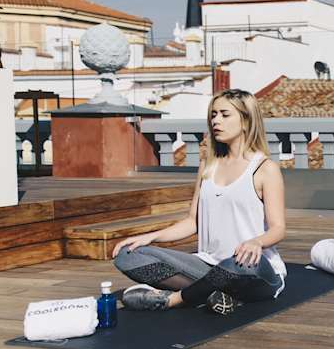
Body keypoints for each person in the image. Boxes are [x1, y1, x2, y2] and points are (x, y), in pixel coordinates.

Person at [113, 88, 287, 314]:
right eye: (213, 115)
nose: (216, 121)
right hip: (208, 266)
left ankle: (174, 300)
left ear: (246, 121)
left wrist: (257, 242)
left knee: (239, 263)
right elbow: (192, 222)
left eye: (225, 115)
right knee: (127, 255)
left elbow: (278, 228)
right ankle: (214, 293)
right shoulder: (208, 166)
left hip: (251, 269)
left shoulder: (265, 169)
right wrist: (150, 237)